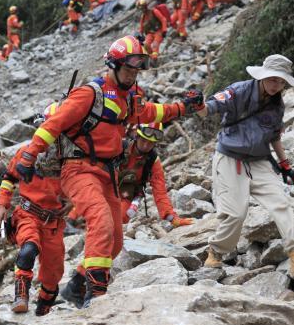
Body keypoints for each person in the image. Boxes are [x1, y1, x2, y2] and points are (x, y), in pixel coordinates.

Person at [11, 35, 204, 307]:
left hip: (108, 174)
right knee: (100, 220)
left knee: (113, 242)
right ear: (113, 66)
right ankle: (97, 296)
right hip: (79, 169)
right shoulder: (89, 94)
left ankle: (76, 287)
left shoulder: (128, 98)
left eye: (137, 70)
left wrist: (183, 107)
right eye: (128, 69)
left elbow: (151, 113)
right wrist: (30, 153)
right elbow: (54, 123)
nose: (132, 75)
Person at [197, 54, 294, 281]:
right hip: (230, 157)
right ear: (263, 76)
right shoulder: (239, 90)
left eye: (281, 82)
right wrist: (197, 105)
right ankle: (216, 252)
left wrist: (285, 166)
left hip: (259, 159)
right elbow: (210, 107)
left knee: (282, 203)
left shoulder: (277, 106)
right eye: (273, 80)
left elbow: (274, 136)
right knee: (236, 213)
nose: (277, 86)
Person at [60, 122, 194, 307]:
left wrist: (171, 217)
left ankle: (75, 285)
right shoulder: (118, 147)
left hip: (125, 196)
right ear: (136, 136)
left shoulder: (152, 161)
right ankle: (94, 292)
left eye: (151, 143)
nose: (146, 146)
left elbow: (159, 190)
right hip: (102, 187)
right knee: (102, 232)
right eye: (144, 140)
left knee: (116, 246)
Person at [0, 105, 73, 316]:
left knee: (54, 271)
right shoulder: (26, 153)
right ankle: (21, 297)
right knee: (29, 248)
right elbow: (10, 177)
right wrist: (2, 205)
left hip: (54, 223)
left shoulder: (70, 159)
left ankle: (43, 308)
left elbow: (81, 185)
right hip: (28, 214)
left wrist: (74, 203)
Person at [136, 0, 168, 67]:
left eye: (143, 7)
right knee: (146, 45)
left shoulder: (154, 11)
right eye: (141, 9)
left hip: (158, 31)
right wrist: (139, 35)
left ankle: (155, 59)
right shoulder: (143, 17)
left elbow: (163, 20)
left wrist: (164, 30)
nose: (142, 10)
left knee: (155, 45)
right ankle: (151, 57)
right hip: (150, 33)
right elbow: (141, 28)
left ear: (146, 6)